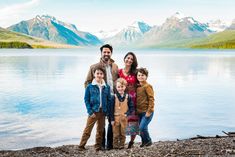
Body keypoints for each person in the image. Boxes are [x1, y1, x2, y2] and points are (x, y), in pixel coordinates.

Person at [84, 44, 119, 150]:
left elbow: (118, 81)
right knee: (101, 123)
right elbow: (87, 83)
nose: (106, 54)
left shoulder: (115, 66)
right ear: (101, 53)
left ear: (111, 53)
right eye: (104, 52)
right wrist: (94, 97)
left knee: (111, 121)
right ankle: (101, 145)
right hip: (101, 99)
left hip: (113, 98)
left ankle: (110, 145)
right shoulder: (94, 67)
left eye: (108, 52)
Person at [78, 65, 112, 151]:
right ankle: (81, 146)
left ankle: (98, 146)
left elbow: (108, 100)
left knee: (100, 130)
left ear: (103, 75)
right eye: (97, 73)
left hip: (102, 112)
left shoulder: (106, 87)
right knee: (88, 129)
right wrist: (90, 111)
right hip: (93, 111)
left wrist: (107, 112)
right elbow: (86, 100)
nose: (99, 75)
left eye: (101, 73)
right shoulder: (90, 86)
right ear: (94, 74)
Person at [118, 52, 139, 148]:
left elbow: (142, 82)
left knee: (133, 120)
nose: (129, 60)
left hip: (134, 99)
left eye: (131, 59)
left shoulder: (135, 73)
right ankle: (121, 140)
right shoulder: (119, 72)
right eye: (128, 58)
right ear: (124, 58)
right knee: (122, 118)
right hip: (122, 99)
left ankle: (131, 142)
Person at [110, 78, 134, 149]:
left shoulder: (128, 97)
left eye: (122, 87)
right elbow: (111, 109)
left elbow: (131, 107)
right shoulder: (113, 97)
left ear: (125, 87)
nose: (120, 88)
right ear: (116, 87)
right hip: (115, 118)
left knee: (123, 133)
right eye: (119, 87)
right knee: (115, 133)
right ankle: (115, 146)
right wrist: (112, 119)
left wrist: (128, 113)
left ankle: (121, 145)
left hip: (124, 118)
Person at [136, 68, 155, 147]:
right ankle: (144, 142)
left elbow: (151, 99)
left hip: (147, 112)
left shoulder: (148, 86)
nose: (140, 77)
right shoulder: (138, 87)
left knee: (142, 128)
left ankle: (149, 140)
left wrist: (149, 111)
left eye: (142, 75)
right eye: (139, 75)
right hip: (139, 112)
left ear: (146, 76)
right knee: (143, 129)